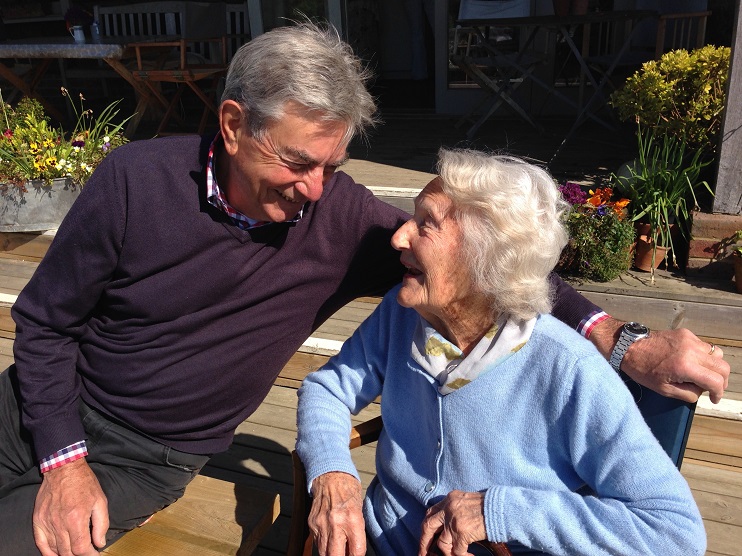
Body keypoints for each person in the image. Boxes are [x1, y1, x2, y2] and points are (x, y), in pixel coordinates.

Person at [0, 21, 726, 556]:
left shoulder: (340, 218)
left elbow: (505, 269)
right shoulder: (135, 181)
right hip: (39, 401)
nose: (319, 190)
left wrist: (618, 340)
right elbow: (42, 325)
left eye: (336, 163)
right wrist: (63, 461)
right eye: (298, 161)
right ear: (232, 126)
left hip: (146, 453)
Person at [296, 148, 707, 556]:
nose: (399, 236)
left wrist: (500, 511)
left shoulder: (568, 369)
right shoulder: (402, 314)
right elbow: (326, 389)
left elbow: (674, 532)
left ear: (484, 257)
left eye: (426, 224)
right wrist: (333, 471)